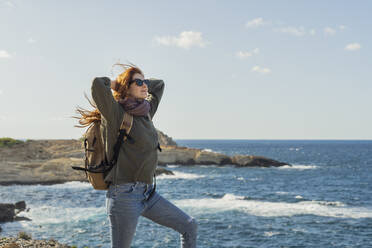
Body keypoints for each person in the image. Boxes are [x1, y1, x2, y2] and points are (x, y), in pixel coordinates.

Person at [86, 63, 197, 248]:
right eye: (138, 82)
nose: (145, 85)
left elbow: (159, 85)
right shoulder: (115, 114)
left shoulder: (145, 111)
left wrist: (140, 81)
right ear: (126, 87)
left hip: (147, 193)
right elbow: (98, 85)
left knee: (189, 225)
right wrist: (117, 84)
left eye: (145, 81)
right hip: (124, 195)